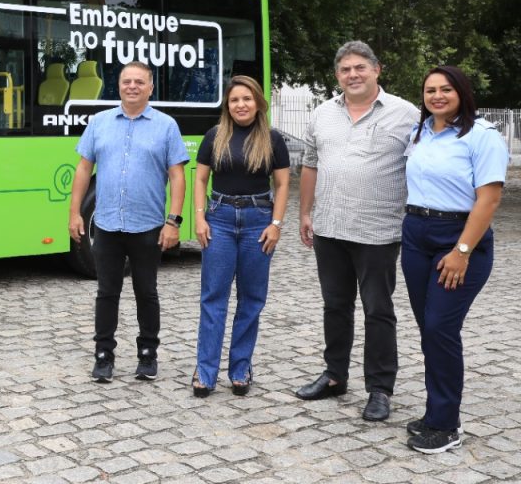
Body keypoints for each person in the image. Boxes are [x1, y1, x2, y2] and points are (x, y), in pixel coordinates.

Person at [295, 41, 419, 422]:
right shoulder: (321, 115)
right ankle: (335, 375)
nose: (353, 75)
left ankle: (380, 389)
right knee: (335, 306)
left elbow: (422, 167)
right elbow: (310, 165)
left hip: (378, 231)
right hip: (329, 227)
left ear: (377, 70)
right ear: (337, 76)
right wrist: (304, 213)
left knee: (378, 310)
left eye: (360, 67)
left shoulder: (407, 114)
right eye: (346, 69)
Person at [400, 65, 508, 453]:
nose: (437, 96)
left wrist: (461, 251)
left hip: (460, 238)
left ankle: (446, 425)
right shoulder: (420, 133)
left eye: (446, 89)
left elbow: (490, 198)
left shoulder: (482, 136)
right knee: (429, 329)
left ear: (462, 91)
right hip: (416, 234)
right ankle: (435, 413)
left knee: (440, 328)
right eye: (430, 90)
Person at [68, 61, 189, 383]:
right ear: (118, 86)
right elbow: (83, 169)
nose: (132, 86)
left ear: (150, 88)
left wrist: (173, 222)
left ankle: (147, 355)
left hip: (148, 226)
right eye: (126, 81)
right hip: (106, 225)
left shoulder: (166, 126)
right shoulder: (100, 122)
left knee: (146, 292)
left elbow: (177, 176)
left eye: (139, 82)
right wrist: (74, 212)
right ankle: (103, 355)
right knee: (106, 293)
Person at [192, 75, 290, 397]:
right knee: (213, 297)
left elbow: (283, 184)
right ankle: (205, 372)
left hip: (257, 220)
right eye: (234, 100)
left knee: (251, 299)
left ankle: (240, 368)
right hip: (218, 219)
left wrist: (276, 224)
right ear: (227, 105)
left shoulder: (273, 139)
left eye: (246, 99)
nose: (240, 105)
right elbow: (200, 178)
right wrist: (200, 218)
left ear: (258, 102)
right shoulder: (215, 136)